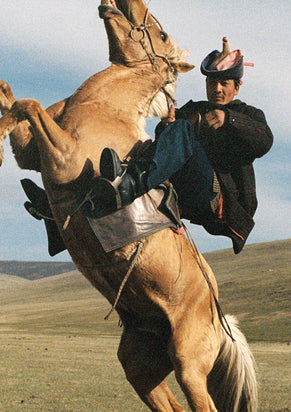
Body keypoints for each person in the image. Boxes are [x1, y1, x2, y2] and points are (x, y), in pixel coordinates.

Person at [90, 38, 273, 253]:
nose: (217, 89)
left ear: (237, 86)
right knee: (146, 142)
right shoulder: (193, 108)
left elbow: (264, 140)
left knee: (183, 129)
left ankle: (129, 185)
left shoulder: (248, 115)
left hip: (216, 199)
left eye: (224, 83)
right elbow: (165, 144)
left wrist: (229, 119)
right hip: (186, 190)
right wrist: (165, 126)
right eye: (212, 83)